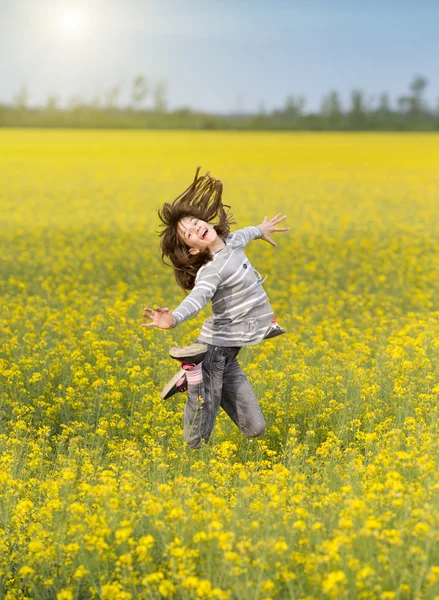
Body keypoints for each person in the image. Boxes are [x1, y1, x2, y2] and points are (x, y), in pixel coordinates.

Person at [141, 168, 289, 448]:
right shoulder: (211, 270)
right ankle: (193, 372)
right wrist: (173, 319)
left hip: (229, 355)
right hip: (213, 350)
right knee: (198, 438)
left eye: (195, 223)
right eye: (189, 234)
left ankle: (191, 372)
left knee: (255, 428)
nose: (196, 228)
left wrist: (262, 230)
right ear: (194, 249)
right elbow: (196, 299)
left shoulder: (233, 242)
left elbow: (245, 233)